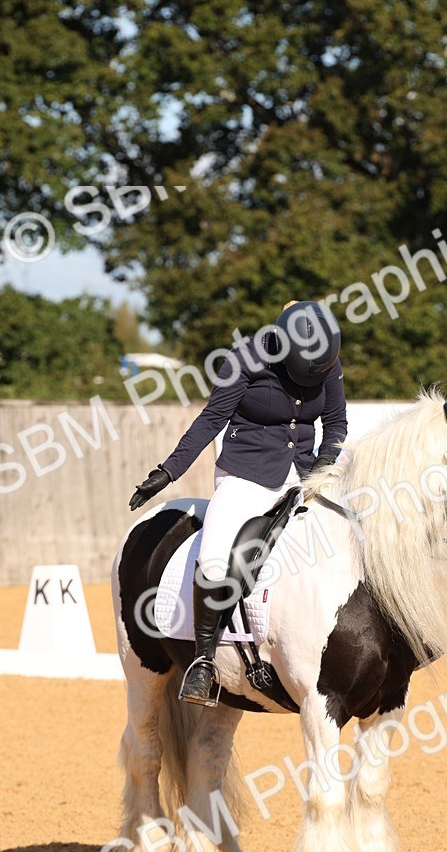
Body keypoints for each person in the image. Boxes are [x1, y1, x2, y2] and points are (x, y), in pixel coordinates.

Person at [129, 300, 347, 705]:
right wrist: (169, 471)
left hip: (303, 475)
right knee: (214, 558)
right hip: (246, 475)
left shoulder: (326, 361)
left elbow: (335, 424)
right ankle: (204, 663)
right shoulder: (247, 357)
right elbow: (212, 419)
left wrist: (322, 470)